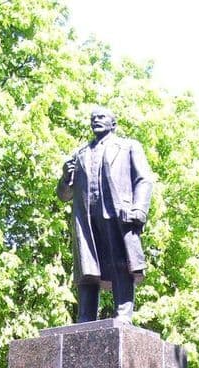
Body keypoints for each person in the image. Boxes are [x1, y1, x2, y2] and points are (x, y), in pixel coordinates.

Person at [57, 107, 153, 322]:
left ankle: (123, 315)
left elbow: (144, 179)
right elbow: (64, 195)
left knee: (121, 263)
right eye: (93, 118)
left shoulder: (128, 146)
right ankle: (85, 318)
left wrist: (139, 209)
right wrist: (65, 178)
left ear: (113, 124)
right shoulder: (80, 154)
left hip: (117, 214)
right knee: (87, 266)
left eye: (101, 117)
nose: (96, 120)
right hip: (86, 218)